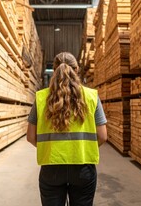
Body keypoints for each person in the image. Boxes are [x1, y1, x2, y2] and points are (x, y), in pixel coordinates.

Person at [27, 52, 108, 206]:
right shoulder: (92, 96)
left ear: (54, 70)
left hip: (52, 168)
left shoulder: (41, 98)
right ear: (77, 70)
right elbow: (103, 136)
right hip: (83, 167)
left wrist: (51, 148)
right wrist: (83, 147)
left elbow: (30, 137)